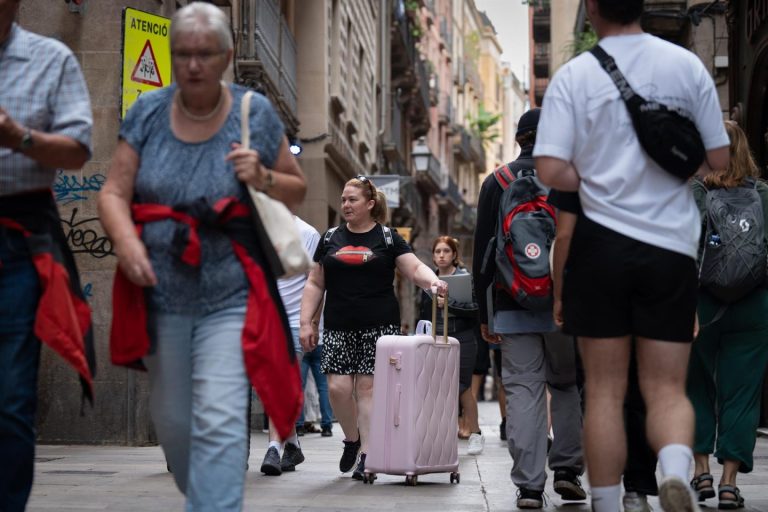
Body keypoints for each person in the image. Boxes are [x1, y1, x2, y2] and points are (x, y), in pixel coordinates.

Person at [98, 4, 306, 510]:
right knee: (173, 423)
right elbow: (112, 192)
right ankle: (210, 495)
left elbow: (296, 189)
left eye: (204, 54)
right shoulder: (147, 112)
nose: (192, 65)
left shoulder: (252, 111)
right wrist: (126, 244)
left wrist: (261, 176)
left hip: (229, 292)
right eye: (183, 54)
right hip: (161, 292)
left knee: (220, 416)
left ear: (226, 56)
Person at [533, 0, 731, 509]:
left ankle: (605, 501)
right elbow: (719, 159)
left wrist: (600, 178)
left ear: (593, 9)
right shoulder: (685, 65)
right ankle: (673, 471)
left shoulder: (575, 76)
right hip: (669, 248)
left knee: (602, 390)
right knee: (667, 388)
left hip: (600, 247)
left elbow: (551, 170)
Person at [0, 2, 95, 509]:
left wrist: (18, 136)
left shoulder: (50, 58)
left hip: (18, 239)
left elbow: (79, 148)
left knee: (10, 395)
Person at [299, 176, 448, 480]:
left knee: (367, 389)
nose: (345, 205)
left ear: (370, 204)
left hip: (379, 325)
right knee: (339, 389)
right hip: (339, 325)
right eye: (343, 199)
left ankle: (367, 456)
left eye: (352, 200)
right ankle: (352, 439)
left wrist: (433, 281)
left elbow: (414, 268)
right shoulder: (330, 238)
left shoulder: (388, 238)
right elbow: (316, 282)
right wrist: (306, 322)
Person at [473, 108, 585, 509]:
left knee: (522, 389)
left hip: (512, 301)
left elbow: (483, 253)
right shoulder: (571, 180)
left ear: (519, 139)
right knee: (568, 385)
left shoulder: (498, 182)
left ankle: (530, 487)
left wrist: (485, 314)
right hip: (566, 305)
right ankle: (569, 470)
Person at [549, 189, 658, 512]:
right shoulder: (653, 161)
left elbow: (564, 235)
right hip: (644, 288)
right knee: (639, 393)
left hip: (591, 293)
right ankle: (636, 490)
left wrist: (559, 294)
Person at [687, 121, 768, 510]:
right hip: (754, 304)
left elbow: (683, 252)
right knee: (743, 393)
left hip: (701, 304)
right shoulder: (763, 194)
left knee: (695, 385)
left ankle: (700, 469)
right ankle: (729, 484)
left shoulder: (694, 192)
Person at [260, 215, 320, 475]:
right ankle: (293, 445)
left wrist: (312, 323)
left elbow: (317, 283)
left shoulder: (307, 233)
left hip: (294, 321)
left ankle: (274, 447)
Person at [418, 236, 482, 455]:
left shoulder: (465, 278)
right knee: (435, 388)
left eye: (446, 251)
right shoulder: (428, 280)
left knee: (462, 386)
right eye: (437, 252)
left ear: (455, 255)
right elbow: (423, 312)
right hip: (434, 338)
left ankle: (475, 434)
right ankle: (440, 433)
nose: (441, 255)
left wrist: (449, 304)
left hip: (461, 338)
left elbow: (475, 310)